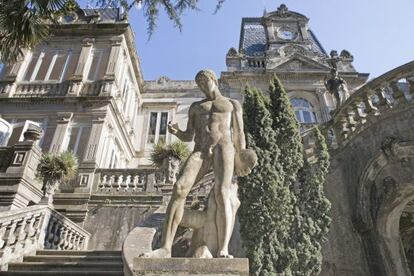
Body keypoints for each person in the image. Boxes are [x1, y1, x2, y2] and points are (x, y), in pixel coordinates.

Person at [141, 69, 253, 258]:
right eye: (199, 83)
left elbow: (239, 133)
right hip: (200, 150)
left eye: (204, 81)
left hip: (224, 148)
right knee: (179, 188)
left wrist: (240, 157)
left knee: (222, 193)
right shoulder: (196, 107)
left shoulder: (232, 104)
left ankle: (223, 249)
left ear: (213, 80)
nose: (202, 86)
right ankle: (165, 248)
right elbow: (188, 135)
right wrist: (176, 132)